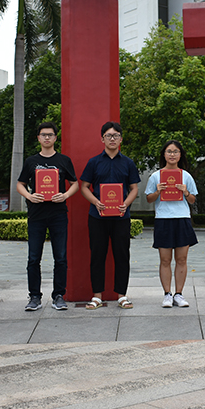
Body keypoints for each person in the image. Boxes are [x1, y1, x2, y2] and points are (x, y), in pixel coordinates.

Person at [16, 122, 79, 311]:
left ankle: (59, 295)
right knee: (33, 258)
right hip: (36, 215)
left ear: (55, 137)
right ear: (38, 138)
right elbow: (20, 184)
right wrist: (29, 195)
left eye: (50, 135)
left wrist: (65, 195)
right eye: (43, 135)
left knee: (60, 257)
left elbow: (75, 183)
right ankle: (34, 296)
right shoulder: (31, 161)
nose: (46, 138)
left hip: (58, 214)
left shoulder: (64, 160)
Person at [79, 121, 141, 310]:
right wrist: (96, 201)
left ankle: (122, 295)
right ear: (102, 139)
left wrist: (125, 204)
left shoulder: (128, 163)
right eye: (108, 135)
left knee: (122, 255)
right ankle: (97, 295)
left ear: (121, 139)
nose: (112, 139)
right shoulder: (94, 162)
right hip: (97, 217)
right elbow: (84, 187)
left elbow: (134, 188)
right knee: (98, 255)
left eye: (115, 135)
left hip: (121, 217)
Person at [145, 141, 198, 307]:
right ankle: (167, 294)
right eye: (169, 151)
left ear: (180, 155)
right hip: (163, 219)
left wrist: (185, 191)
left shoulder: (186, 176)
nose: (172, 154)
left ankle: (179, 294)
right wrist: (158, 191)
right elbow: (148, 199)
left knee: (181, 259)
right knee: (165, 259)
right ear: (164, 154)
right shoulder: (155, 176)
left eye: (176, 151)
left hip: (182, 218)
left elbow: (192, 199)